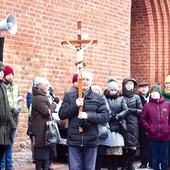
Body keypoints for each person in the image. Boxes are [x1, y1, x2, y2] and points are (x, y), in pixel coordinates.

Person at [59, 69, 110, 170]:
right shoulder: (70, 96)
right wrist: (75, 106)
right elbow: (62, 114)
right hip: (74, 140)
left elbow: (105, 116)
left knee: (89, 168)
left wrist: (88, 115)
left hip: (91, 140)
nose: (85, 81)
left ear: (91, 81)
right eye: (83, 79)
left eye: (87, 79)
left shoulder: (98, 97)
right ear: (78, 81)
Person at [140, 83, 170, 170]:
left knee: (164, 157)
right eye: (152, 92)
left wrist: (168, 129)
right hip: (153, 136)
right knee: (154, 157)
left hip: (166, 136)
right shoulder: (147, 105)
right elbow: (143, 119)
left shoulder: (167, 105)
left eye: (156, 92)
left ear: (159, 93)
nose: (154, 94)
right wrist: (149, 128)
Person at [1, 65, 24, 170]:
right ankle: (3, 165)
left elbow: (21, 100)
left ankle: (9, 166)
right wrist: (11, 109)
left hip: (14, 119)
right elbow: (3, 103)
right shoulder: (2, 87)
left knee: (10, 144)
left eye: (12, 74)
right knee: (3, 145)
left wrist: (18, 109)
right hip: (6, 119)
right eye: (9, 74)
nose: (11, 76)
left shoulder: (15, 87)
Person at [31, 77, 57, 170]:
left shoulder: (39, 97)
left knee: (45, 151)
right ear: (42, 88)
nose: (47, 89)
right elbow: (46, 112)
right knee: (41, 151)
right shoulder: (39, 98)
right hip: (41, 129)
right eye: (46, 87)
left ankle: (45, 167)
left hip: (42, 128)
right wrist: (54, 104)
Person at [102, 80, 128, 170]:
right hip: (108, 126)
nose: (113, 92)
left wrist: (118, 116)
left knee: (117, 150)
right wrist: (109, 117)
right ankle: (110, 167)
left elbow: (125, 109)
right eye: (111, 90)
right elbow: (103, 109)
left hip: (118, 127)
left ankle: (115, 167)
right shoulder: (104, 99)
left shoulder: (121, 99)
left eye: (114, 90)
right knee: (109, 150)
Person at [121, 78, 143, 170]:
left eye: (131, 84)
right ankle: (124, 164)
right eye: (127, 84)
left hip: (133, 123)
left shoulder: (136, 97)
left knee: (132, 145)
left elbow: (141, 110)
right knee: (124, 145)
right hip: (123, 123)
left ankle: (130, 163)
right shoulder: (121, 97)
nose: (129, 86)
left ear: (133, 86)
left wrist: (133, 111)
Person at [0, 62, 16, 162]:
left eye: (2, 71)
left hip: (5, 127)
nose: (1, 73)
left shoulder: (2, 87)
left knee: (3, 150)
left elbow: (5, 107)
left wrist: (12, 124)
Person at [138, 82, 152, 168]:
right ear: (139, 89)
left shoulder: (151, 98)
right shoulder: (137, 98)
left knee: (151, 145)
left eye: (145, 87)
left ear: (148, 88)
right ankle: (143, 162)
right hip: (141, 124)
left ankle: (151, 162)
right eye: (142, 87)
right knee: (143, 145)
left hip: (151, 125)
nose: (144, 89)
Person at [162, 75, 170, 169]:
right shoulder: (162, 96)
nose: (168, 85)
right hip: (165, 124)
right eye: (167, 83)